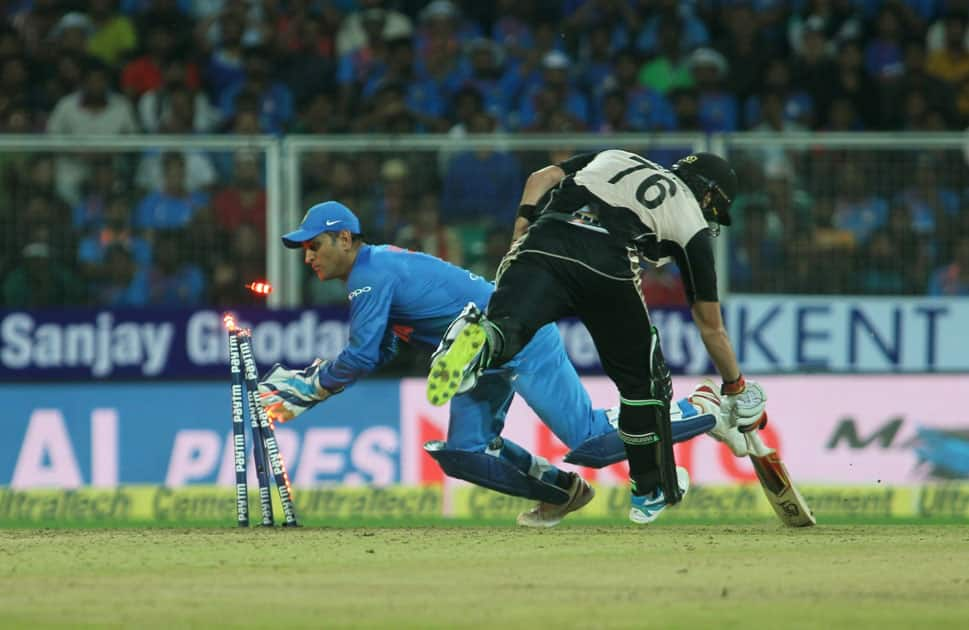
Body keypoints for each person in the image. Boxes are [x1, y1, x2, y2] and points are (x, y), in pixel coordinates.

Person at [257, 201, 732, 527]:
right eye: (303, 250)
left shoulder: (370, 275)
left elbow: (360, 355)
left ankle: (702, 408)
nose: (308, 257)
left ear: (344, 238)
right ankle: (563, 492)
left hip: (519, 337)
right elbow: (380, 351)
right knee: (464, 455)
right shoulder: (374, 270)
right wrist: (315, 382)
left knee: (590, 440)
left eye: (313, 245)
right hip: (477, 354)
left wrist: (311, 387)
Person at [425, 150, 767, 524]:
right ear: (707, 196)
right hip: (608, 265)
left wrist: (523, 224)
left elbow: (541, 176)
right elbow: (710, 327)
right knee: (642, 384)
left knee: (509, 330)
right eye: (713, 211)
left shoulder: (617, 156)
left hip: (543, 242)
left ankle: (480, 340)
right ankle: (649, 490)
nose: (710, 219)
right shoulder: (690, 221)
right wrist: (735, 385)